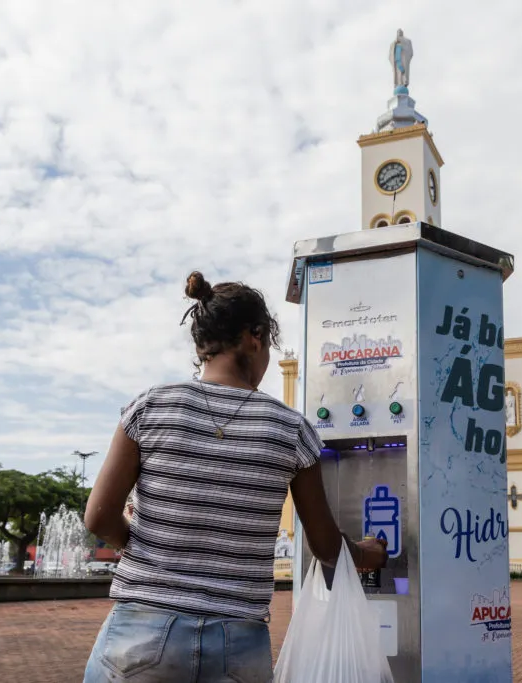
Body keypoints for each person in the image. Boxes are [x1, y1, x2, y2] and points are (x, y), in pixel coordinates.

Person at [82, 271, 388, 683]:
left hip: (141, 629)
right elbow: (325, 545)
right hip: (236, 644)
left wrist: (145, 545)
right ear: (255, 337)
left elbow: (98, 518)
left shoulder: (150, 407)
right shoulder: (290, 429)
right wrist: (369, 555)